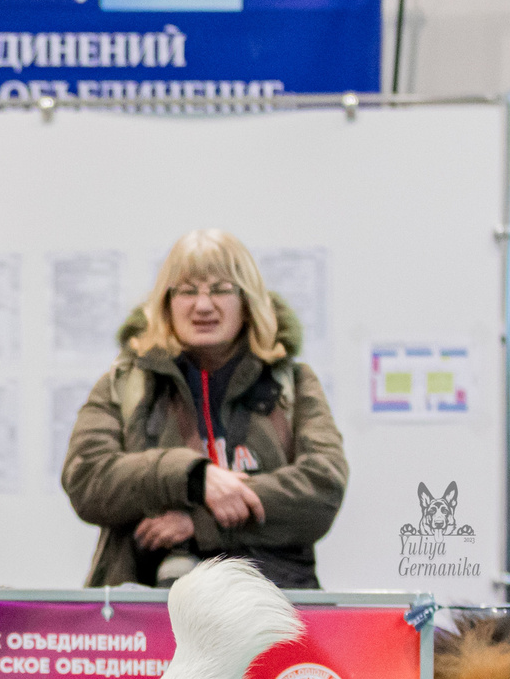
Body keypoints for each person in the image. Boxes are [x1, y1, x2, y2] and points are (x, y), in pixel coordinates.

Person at [61, 228, 348, 589]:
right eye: (187, 290)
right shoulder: (125, 383)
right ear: (166, 302)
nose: (203, 305)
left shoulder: (293, 382)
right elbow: (86, 479)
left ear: (247, 300)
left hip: (270, 609)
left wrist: (200, 522)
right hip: (144, 610)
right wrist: (192, 477)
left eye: (220, 289)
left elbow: (322, 488)